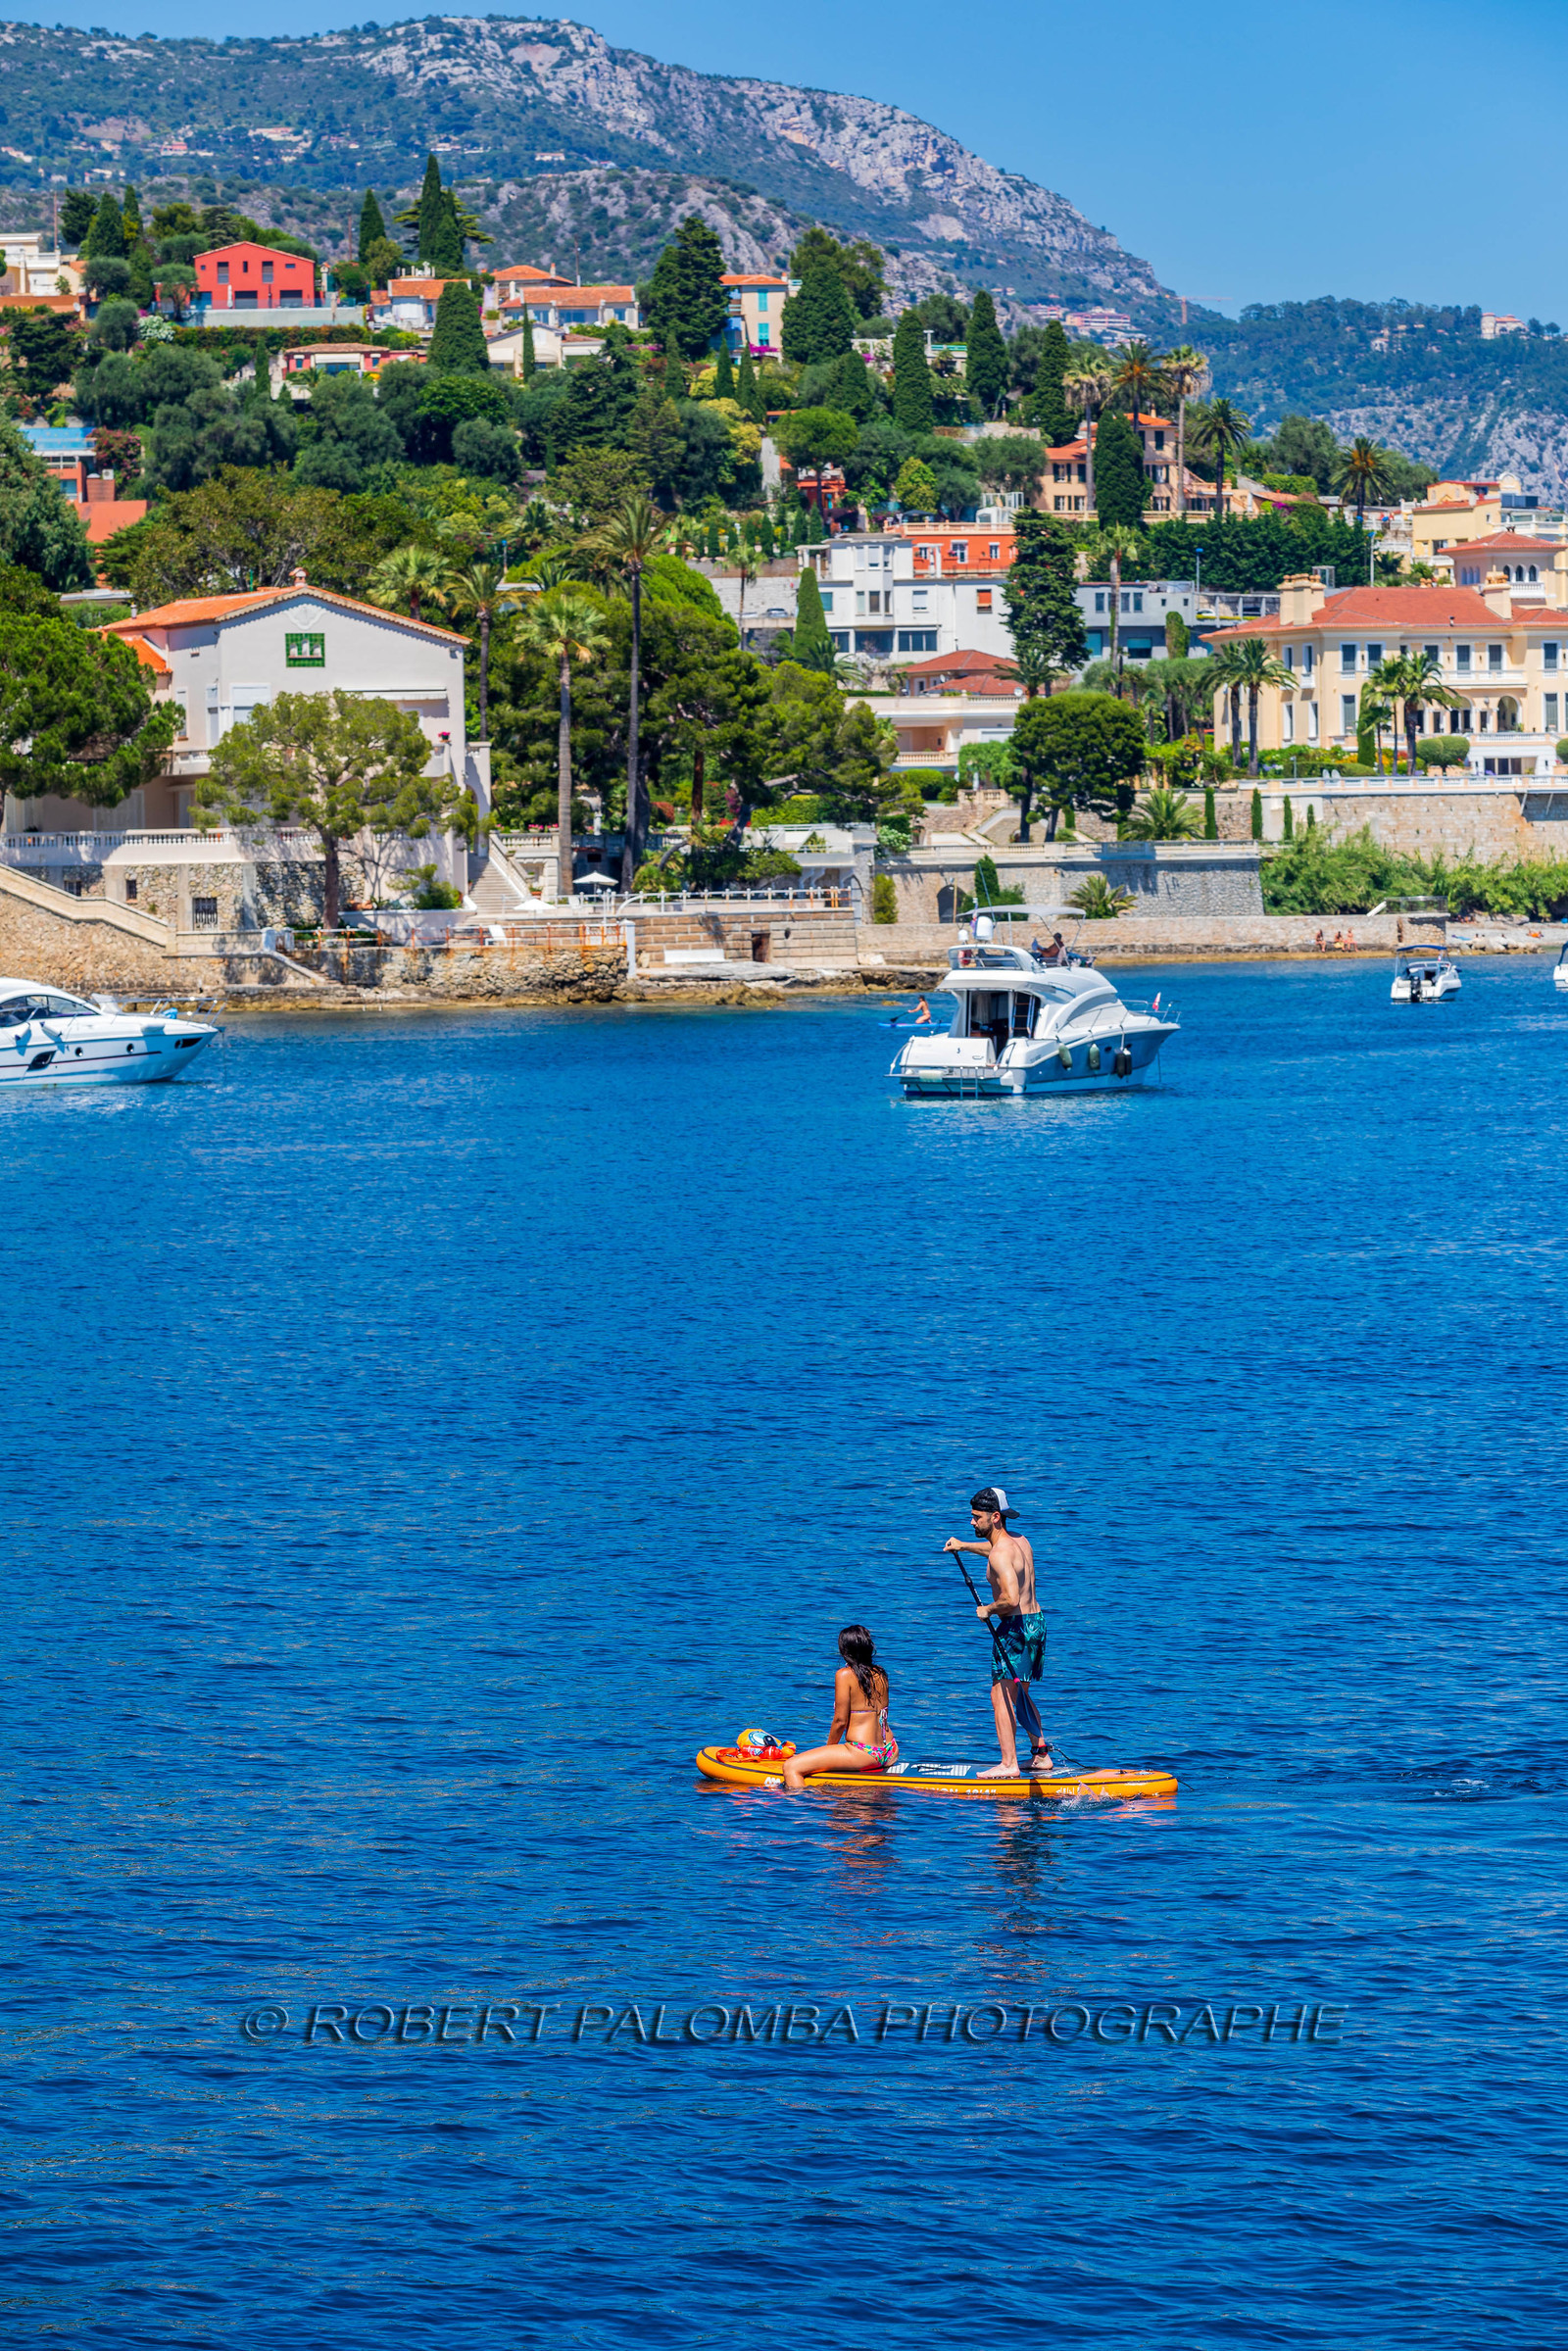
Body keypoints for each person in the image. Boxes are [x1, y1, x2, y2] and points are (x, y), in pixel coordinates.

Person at [946, 1487, 1051, 1777]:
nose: (971, 1522)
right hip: (1036, 1623)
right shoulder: (1019, 1541)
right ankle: (1041, 1755)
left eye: (975, 1517)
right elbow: (994, 1549)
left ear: (994, 1517)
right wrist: (963, 1546)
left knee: (1001, 1696)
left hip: (1014, 1629)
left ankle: (1009, 1764)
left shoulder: (1000, 1556)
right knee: (1020, 1695)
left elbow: (1011, 1598)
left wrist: (988, 1610)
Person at [781, 1626, 899, 1790]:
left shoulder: (844, 1675)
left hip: (864, 1752)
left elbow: (840, 1721)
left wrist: (828, 1751)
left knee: (791, 1767)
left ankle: (803, 1808)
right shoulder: (881, 1673)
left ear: (845, 1650)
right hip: (889, 1750)